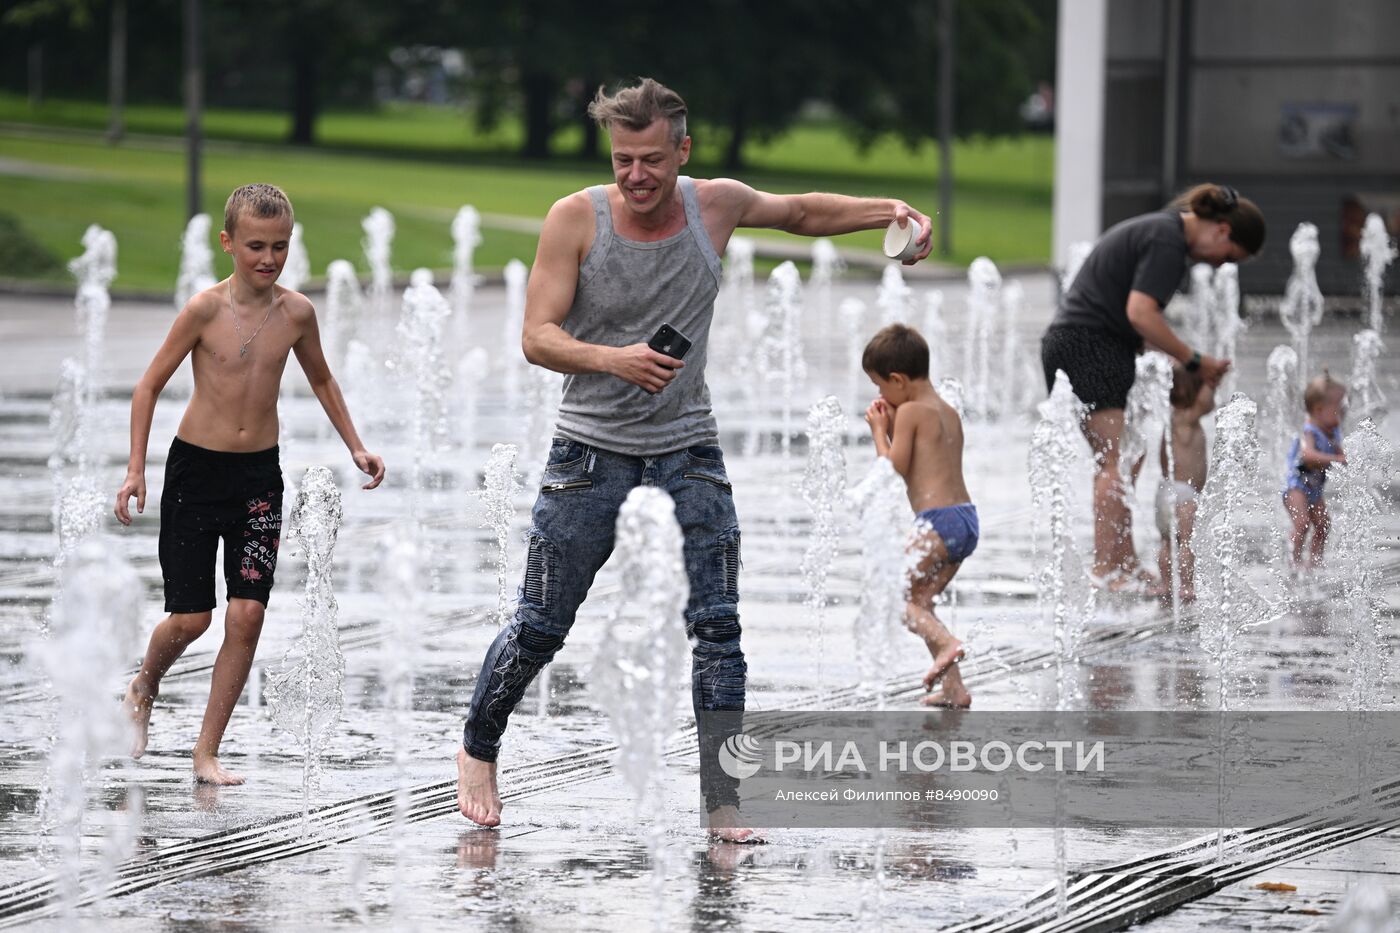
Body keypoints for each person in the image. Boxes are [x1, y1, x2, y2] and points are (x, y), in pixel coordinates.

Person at [455, 78, 935, 839]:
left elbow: (803, 212)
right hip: (589, 450)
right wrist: (616, 360)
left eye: (652, 160)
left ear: (684, 150)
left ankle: (723, 799)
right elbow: (535, 336)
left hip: (688, 446)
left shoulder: (716, 204)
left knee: (719, 627)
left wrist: (893, 213)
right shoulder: (576, 219)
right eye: (622, 160)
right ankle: (478, 749)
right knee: (542, 624)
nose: (637, 176)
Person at [115, 183, 385, 785]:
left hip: (259, 479)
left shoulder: (296, 314)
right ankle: (145, 684)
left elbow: (322, 380)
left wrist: (357, 445)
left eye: (281, 247)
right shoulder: (204, 311)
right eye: (256, 246)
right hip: (194, 474)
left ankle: (206, 751)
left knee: (247, 614)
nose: (269, 259)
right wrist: (136, 468)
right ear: (228, 242)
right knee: (191, 619)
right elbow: (147, 386)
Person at [1040, 183, 1265, 592]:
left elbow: (1132, 318)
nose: (1218, 267)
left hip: (1085, 341)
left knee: (1128, 456)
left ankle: (1122, 562)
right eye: (1228, 258)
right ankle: (1109, 569)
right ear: (1223, 232)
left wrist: (1175, 357)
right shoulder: (1167, 241)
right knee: (1115, 462)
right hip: (1089, 343)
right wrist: (1195, 360)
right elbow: (1140, 313)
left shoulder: (1161, 232)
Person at [862, 324, 976, 708]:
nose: (880, 395)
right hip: (964, 520)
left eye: (880, 387)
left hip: (937, 522)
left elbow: (892, 469)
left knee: (892, 596)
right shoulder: (946, 410)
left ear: (898, 380)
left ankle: (948, 644)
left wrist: (880, 431)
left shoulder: (909, 411)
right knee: (920, 601)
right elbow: (927, 462)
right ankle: (955, 689)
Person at [1154, 364, 1214, 602]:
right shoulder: (1188, 419)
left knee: (1168, 542)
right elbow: (1206, 403)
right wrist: (1213, 378)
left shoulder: (1172, 419)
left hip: (1165, 492)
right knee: (1188, 541)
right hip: (1185, 494)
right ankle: (1187, 585)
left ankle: (1166, 583)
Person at [1283, 374, 1347, 570]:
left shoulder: (1333, 432)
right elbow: (1308, 456)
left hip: (1314, 488)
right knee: (1302, 524)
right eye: (1339, 410)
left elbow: (1342, 455)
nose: (1343, 414)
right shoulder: (1309, 431)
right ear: (1319, 410)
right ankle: (1293, 564)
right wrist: (1337, 459)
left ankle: (1314, 562)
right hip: (1296, 487)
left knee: (1323, 524)